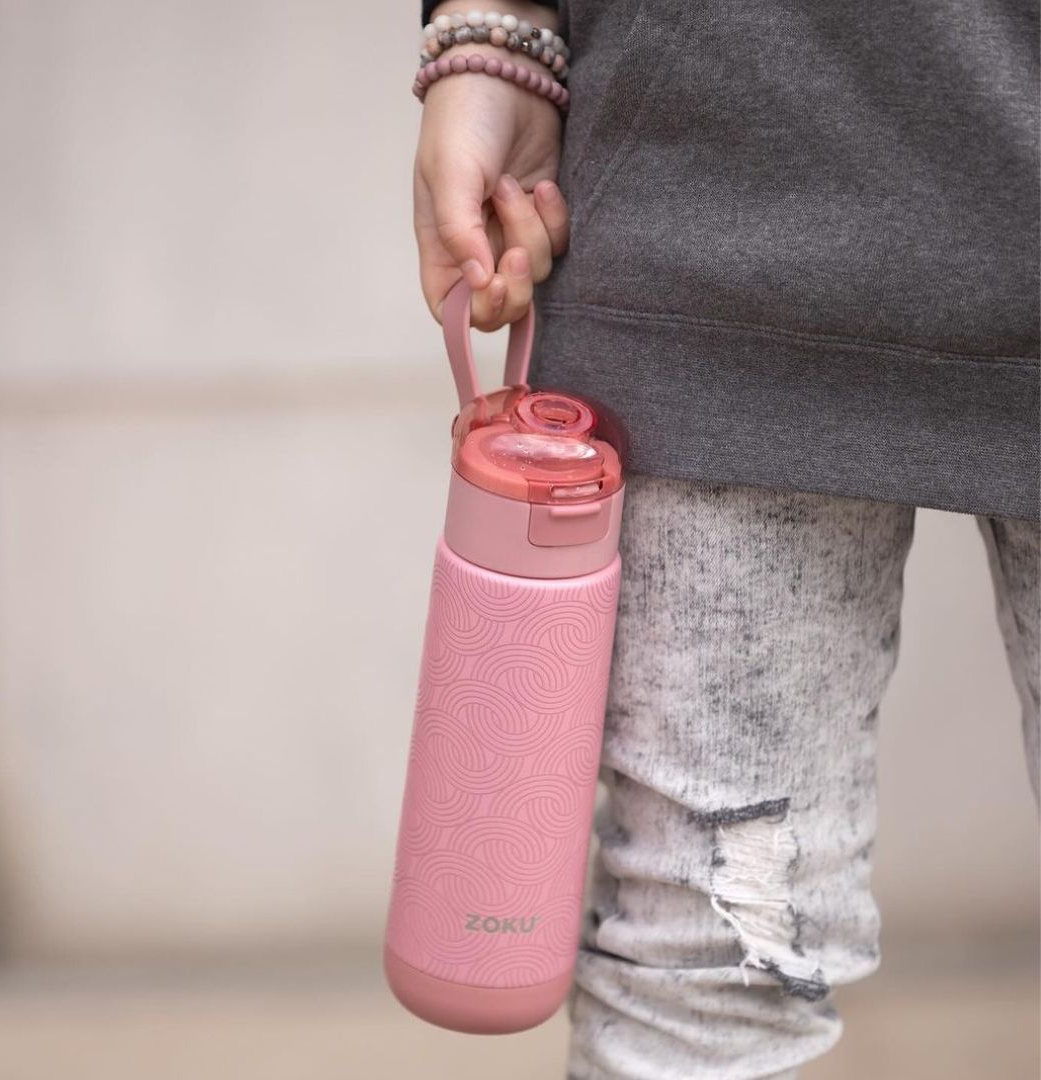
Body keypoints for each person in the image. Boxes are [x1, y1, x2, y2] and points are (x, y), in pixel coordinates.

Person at [412, 2, 1040, 1076]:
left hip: (707, 185)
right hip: (712, 200)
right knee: (707, 970)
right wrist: (494, 26)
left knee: (706, 971)